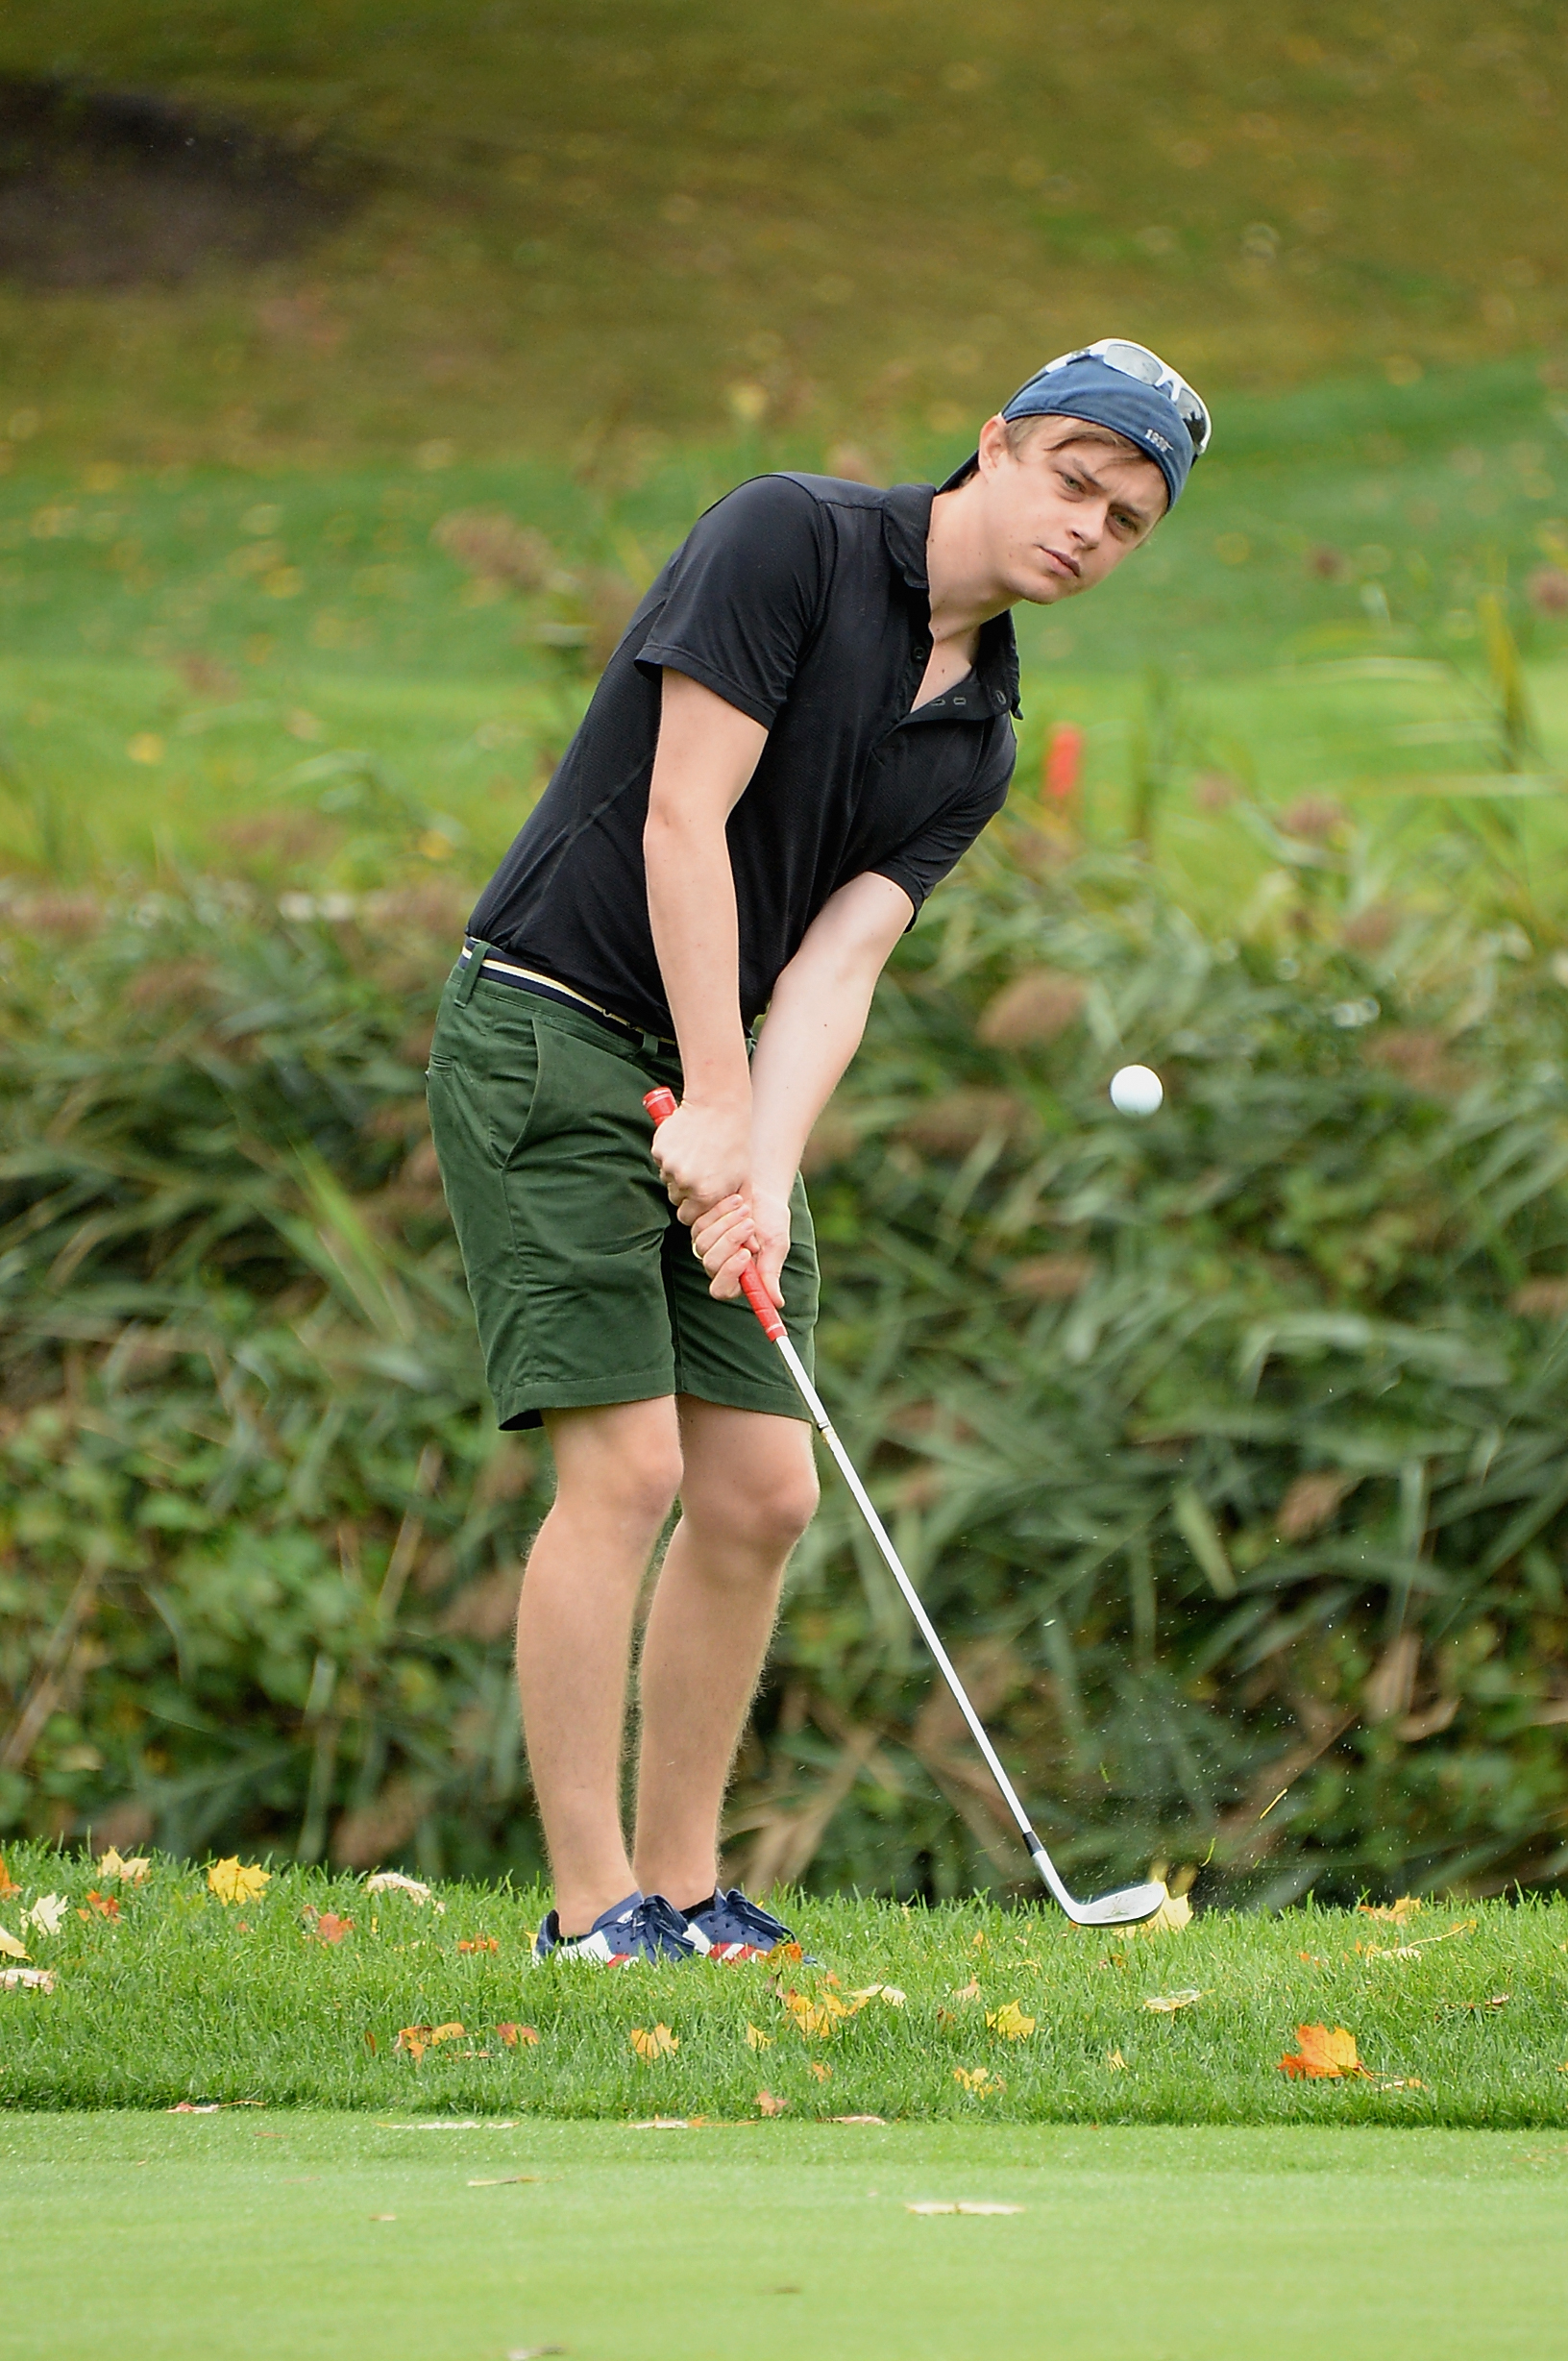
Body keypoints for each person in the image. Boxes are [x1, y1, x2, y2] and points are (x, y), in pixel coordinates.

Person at [428, 339, 1211, 1964]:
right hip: (552, 1022)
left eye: (1127, 520)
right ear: (994, 445)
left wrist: (763, 1169)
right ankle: (589, 1911)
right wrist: (712, 1101)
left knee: (766, 1491)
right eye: (1072, 479)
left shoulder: (979, 735)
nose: (1087, 528)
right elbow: (681, 820)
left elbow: (840, 965)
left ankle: (692, 1891)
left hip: (711, 1070)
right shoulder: (788, 537)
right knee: (627, 1466)